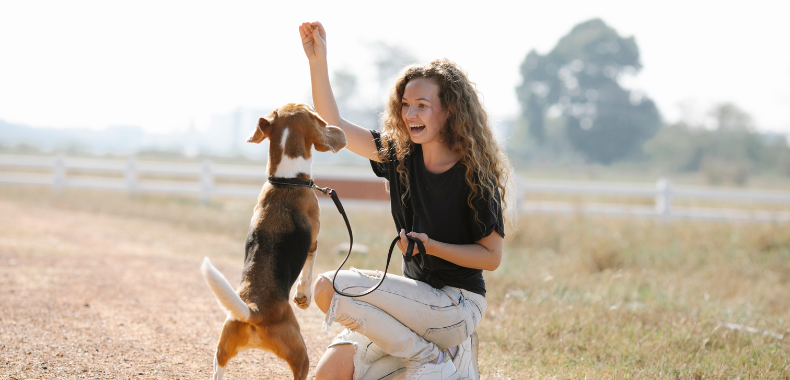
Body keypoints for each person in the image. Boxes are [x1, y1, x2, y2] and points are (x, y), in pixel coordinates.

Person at [299, 21, 514, 380]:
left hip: (456, 305)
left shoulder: (475, 173)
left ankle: (432, 360)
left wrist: (432, 246)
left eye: (422, 105)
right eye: (406, 105)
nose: (410, 114)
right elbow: (332, 124)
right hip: (413, 299)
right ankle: (447, 362)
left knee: (327, 286)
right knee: (329, 374)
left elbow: (491, 257)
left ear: (449, 111)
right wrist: (317, 62)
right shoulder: (399, 155)